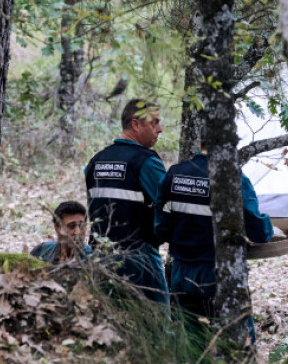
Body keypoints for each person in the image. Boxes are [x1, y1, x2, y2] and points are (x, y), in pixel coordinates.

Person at [155, 127, 273, 349]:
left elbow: (160, 226)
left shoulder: (174, 174)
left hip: (182, 271)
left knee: (190, 341)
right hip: (221, 273)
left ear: (201, 141)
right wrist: (269, 228)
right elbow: (257, 229)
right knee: (238, 343)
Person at [85, 98, 168, 304]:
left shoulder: (96, 161)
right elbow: (169, 207)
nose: (160, 129)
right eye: (154, 122)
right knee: (160, 326)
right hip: (140, 258)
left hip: (100, 255)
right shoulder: (147, 162)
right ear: (135, 124)